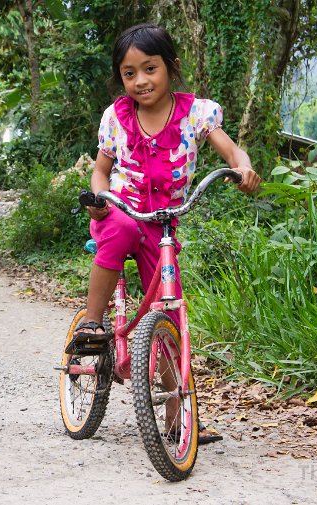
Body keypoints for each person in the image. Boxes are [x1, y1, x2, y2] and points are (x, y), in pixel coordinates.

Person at [71, 23, 261, 345]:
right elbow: (100, 171)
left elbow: (232, 152)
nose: (141, 81)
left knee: (168, 313)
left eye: (149, 68)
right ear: (121, 78)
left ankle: (174, 392)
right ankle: (91, 323)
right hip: (118, 213)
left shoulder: (196, 114)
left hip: (161, 226)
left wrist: (243, 168)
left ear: (171, 66)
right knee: (123, 229)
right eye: (129, 74)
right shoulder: (117, 118)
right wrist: (99, 199)